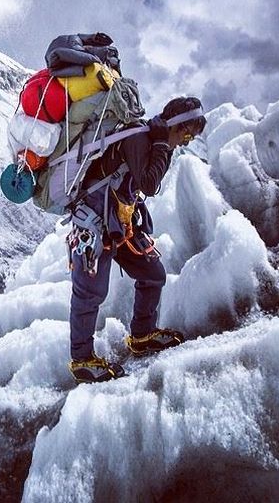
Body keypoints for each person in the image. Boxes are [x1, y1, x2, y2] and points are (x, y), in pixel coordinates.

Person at [67, 96, 207, 383]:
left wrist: (160, 146)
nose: (188, 141)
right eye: (188, 133)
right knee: (89, 292)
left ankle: (142, 335)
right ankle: (82, 360)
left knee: (153, 273)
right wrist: (159, 146)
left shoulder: (152, 139)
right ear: (177, 125)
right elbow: (149, 184)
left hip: (119, 222)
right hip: (93, 224)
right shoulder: (142, 139)